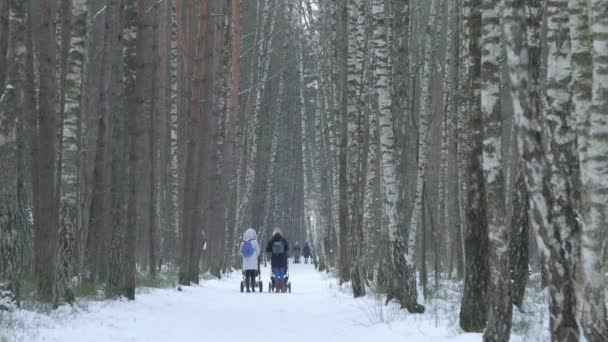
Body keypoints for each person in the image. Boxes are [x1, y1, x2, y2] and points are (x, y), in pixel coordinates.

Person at [265, 228, 289, 292]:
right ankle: (283, 287)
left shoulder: (272, 240)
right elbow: (287, 248)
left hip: (275, 259)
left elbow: (267, 249)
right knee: (281, 274)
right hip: (282, 259)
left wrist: (272, 250)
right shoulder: (283, 240)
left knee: (276, 274)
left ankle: (277, 288)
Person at [240, 228, 261, 292]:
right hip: (253, 262)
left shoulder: (243, 242)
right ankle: (253, 288)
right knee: (253, 275)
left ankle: (247, 288)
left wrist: (245, 256)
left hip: (246, 262)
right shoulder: (255, 242)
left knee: (247, 275)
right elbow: (258, 251)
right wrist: (255, 256)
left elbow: (241, 252)